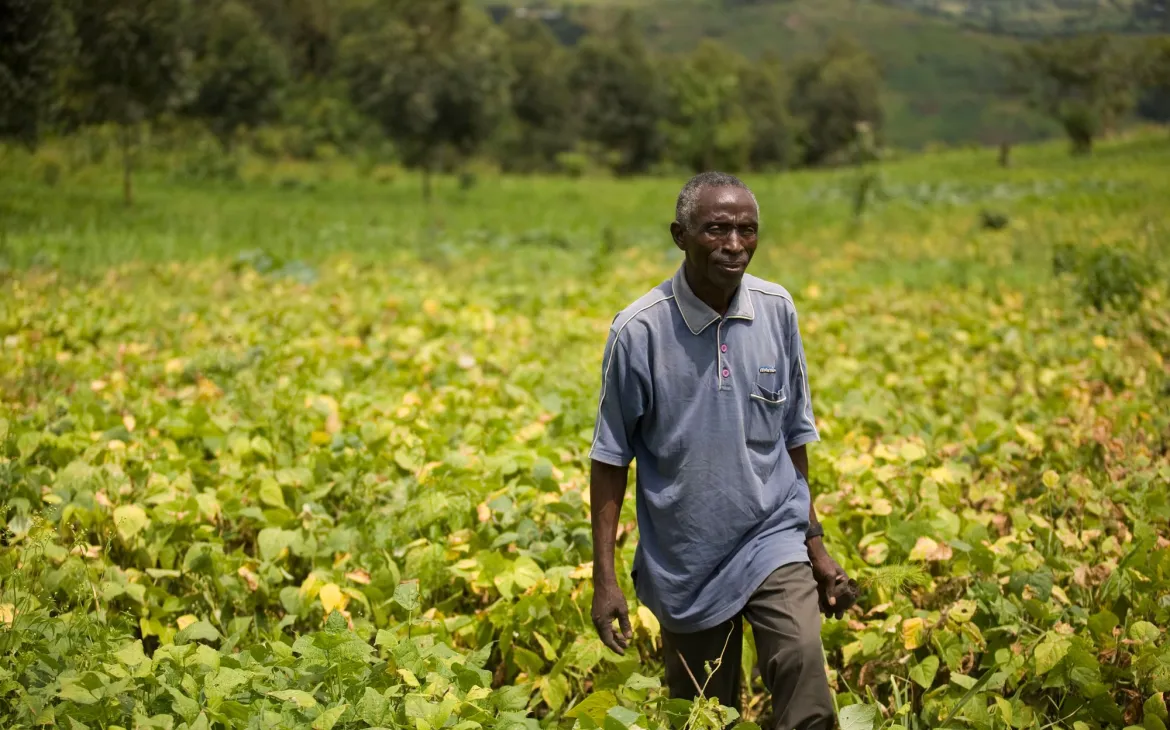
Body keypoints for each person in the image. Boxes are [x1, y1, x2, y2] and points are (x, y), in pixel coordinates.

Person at [588, 172, 858, 730]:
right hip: (687, 555)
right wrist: (605, 579)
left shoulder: (777, 309)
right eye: (716, 230)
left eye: (746, 230)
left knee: (805, 671)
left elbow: (792, 437)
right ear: (680, 235)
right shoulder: (639, 331)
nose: (734, 245)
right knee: (707, 713)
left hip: (772, 536)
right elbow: (611, 460)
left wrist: (816, 545)